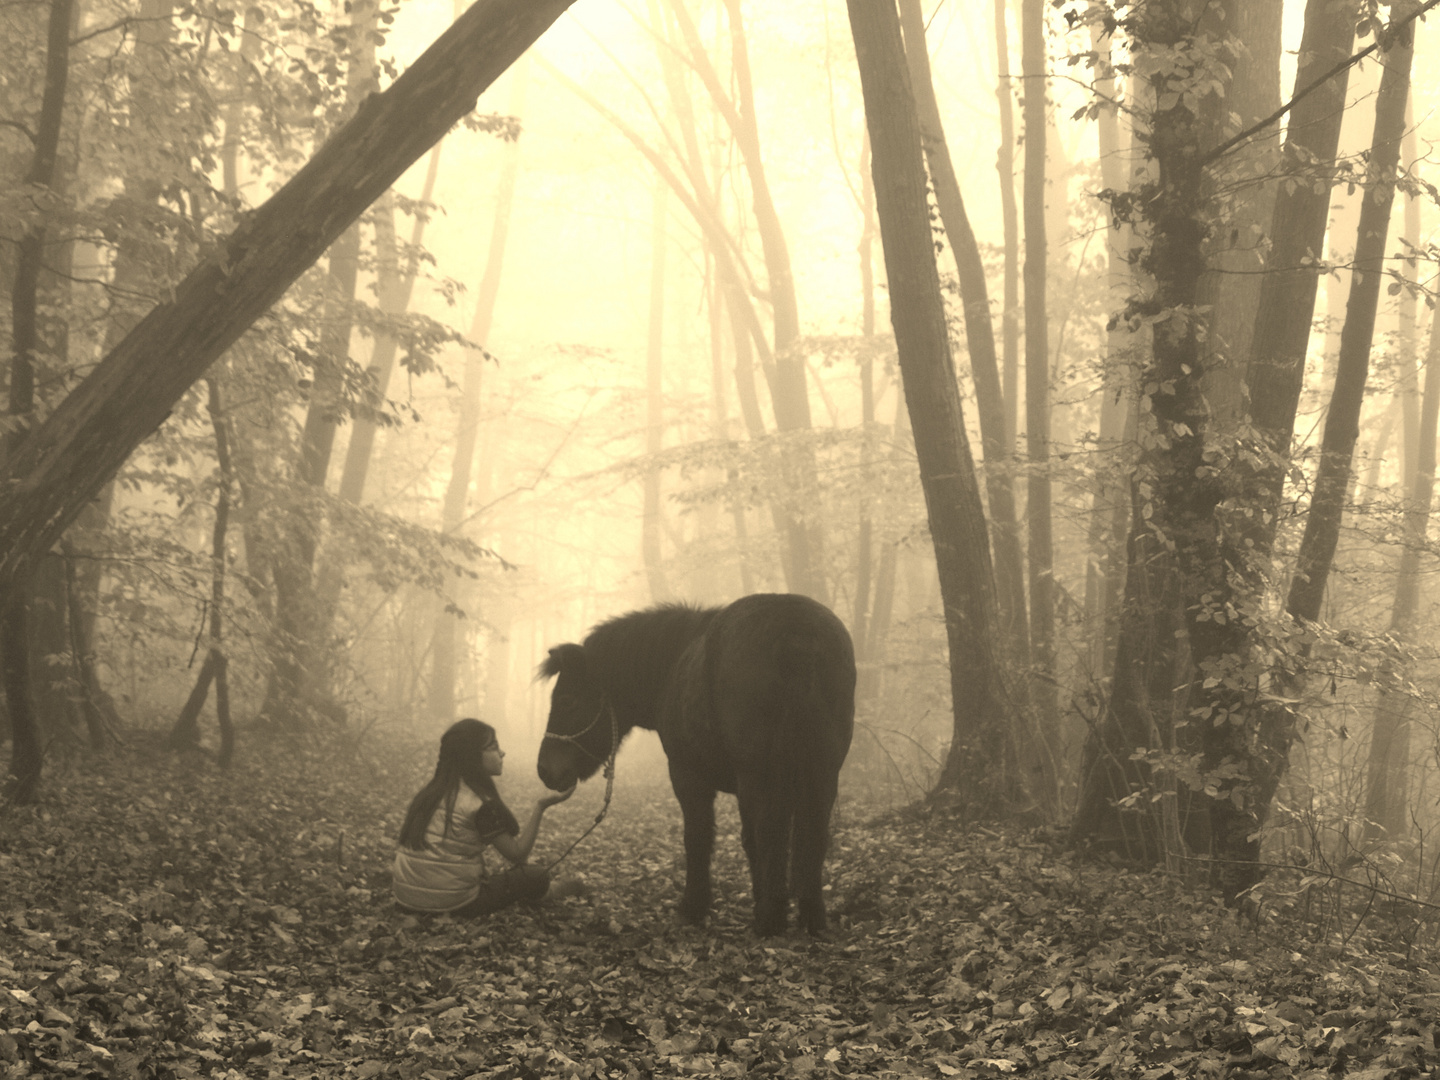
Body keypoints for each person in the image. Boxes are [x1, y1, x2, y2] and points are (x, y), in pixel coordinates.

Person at [393, 717, 577, 917]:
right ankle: (551, 892)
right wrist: (541, 806)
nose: (502, 753)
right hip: (456, 906)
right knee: (536, 875)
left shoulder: (430, 793)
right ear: (472, 755)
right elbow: (517, 854)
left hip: (406, 901)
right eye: (493, 747)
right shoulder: (478, 803)